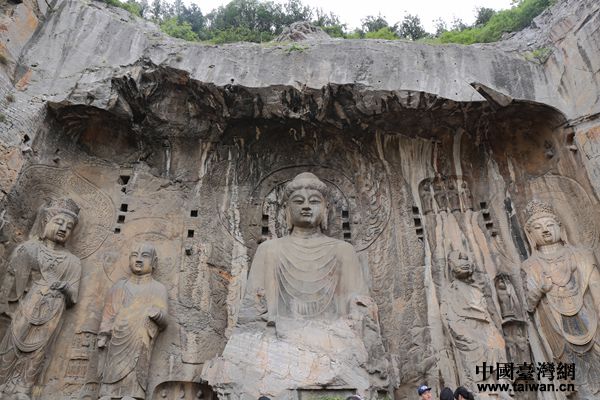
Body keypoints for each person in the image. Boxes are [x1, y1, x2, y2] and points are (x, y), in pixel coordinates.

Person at [0, 198, 82, 400]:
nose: (63, 229)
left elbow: (73, 295)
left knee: (39, 351)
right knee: (13, 341)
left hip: (53, 309)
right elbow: (11, 285)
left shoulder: (73, 261)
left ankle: (23, 388)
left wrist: (64, 287)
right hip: (27, 304)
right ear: (45, 222)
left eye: (68, 227)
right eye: (59, 223)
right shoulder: (29, 249)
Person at [523, 200, 600, 396]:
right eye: (538, 228)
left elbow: (597, 290)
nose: (545, 230)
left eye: (550, 224)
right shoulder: (530, 266)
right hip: (555, 325)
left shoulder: (582, 255)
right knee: (573, 376)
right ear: (530, 235)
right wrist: (540, 290)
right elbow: (528, 305)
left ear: (560, 227)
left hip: (590, 319)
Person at [97, 243, 168, 400]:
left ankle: (133, 394)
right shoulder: (120, 286)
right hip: (117, 337)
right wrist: (103, 334)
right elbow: (109, 314)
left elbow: (164, 320)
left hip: (140, 339)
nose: (139, 259)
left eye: (145, 256)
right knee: (111, 367)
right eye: (135, 255)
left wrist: (156, 314)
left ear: (154, 262)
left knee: (136, 368)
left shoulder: (158, 288)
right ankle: (107, 393)